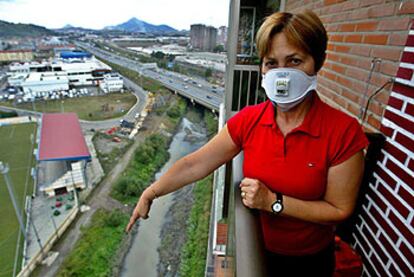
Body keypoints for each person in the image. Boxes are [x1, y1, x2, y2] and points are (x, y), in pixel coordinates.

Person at [126, 10, 368, 277]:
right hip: (257, 250)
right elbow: (196, 163)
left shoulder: (343, 132)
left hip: (310, 261)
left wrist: (273, 202)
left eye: (295, 61)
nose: (282, 74)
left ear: (317, 63)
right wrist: (152, 192)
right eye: (271, 63)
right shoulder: (249, 120)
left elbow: (339, 209)